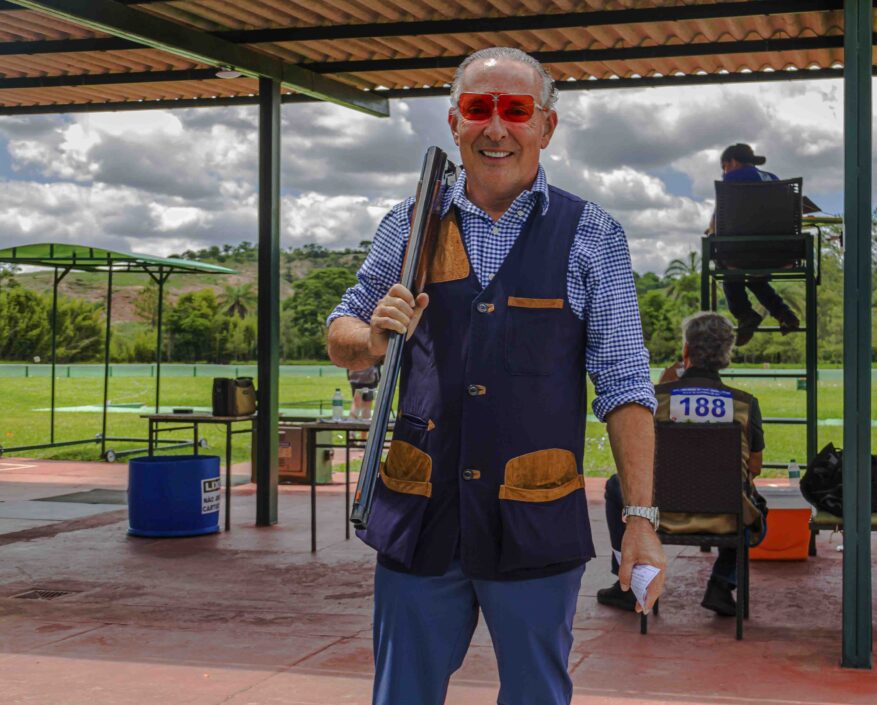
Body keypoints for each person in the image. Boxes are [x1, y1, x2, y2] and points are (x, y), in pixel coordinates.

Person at [325, 47, 665, 705]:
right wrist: (371, 337)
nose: (496, 127)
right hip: (421, 516)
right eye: (479, 108)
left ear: (546, 125)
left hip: (534, 516)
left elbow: (624, 382)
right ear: (455, 122)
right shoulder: (410, 224)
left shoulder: (592, 233)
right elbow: (344, 330)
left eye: (515, 109)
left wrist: (641, 519)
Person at [598, 312, 766, 617]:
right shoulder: (745, 404)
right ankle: (722, 582)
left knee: (615, 485)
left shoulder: (656, 399)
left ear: (686, 350)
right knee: (756, 502)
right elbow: (754, 467)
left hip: (660, 516)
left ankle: (627, 581)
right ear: (726, 355)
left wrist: (663, 385)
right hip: (727, 518)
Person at [706, 143, 800, 346]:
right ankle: (784, 313)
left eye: (724, 167)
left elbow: (720, 218)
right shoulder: (773, 178)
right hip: (778, 253)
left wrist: (711, 230)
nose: (724, 172)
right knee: (753, 276)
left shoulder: (731, 180)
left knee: (729, 267)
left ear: (733, 162)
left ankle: (744, 314)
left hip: (740, 254)